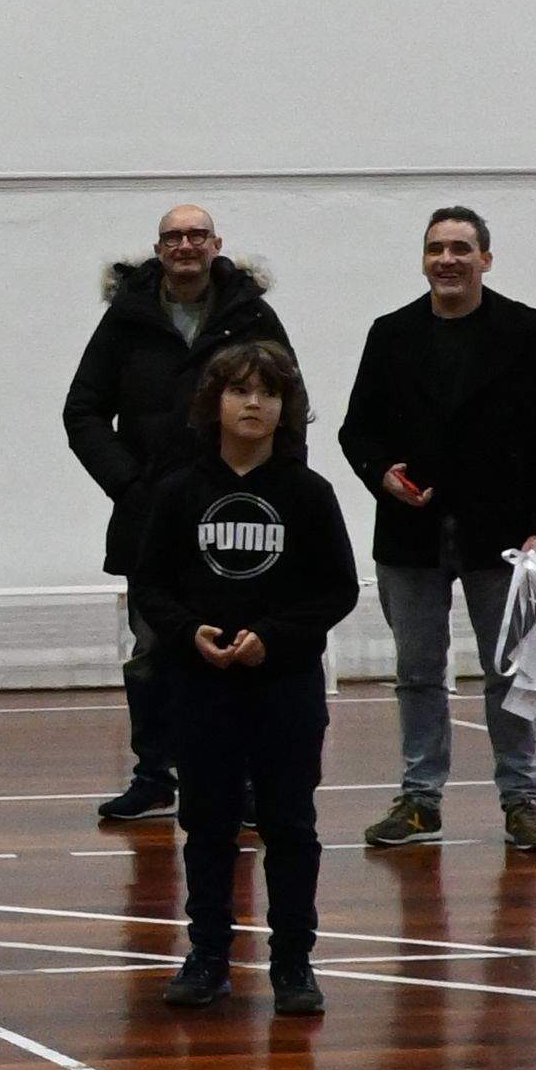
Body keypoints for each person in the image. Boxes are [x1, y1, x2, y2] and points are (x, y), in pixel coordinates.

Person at [128, 336, 359, 1017]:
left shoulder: (308, 494)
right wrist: (185, 632)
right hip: (201, 687)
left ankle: (293, 961)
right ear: (215, 403)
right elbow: (151, 584)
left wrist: (275, 639)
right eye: (239, 390)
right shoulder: (179, 492)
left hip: (284, 686)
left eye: (268, 391)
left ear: (286, 407)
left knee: (290, 824)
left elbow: (336, 590)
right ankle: (207, 956)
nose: (253, 402)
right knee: (207, 824)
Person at [337, 204, 536, 859]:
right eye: (436, 247)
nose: (448, 259)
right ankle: (420, 801)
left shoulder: (529, 331)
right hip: (410, 535)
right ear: (423, 258)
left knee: (511, 672)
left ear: (485, 259)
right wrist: (381, 472)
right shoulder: (390, 333)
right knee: (416, 671)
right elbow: (356, 429)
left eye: (461, 248)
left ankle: (521, 800)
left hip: (505, 535)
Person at [63, 198, 277, 828]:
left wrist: (271, 492)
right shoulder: (126, 320)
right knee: (154, 650)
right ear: (158, 250)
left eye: (196, 235)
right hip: (151, 518)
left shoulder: (251, 315)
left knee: (239, 647)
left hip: (236, 514)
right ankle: (155, 776)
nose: (185, 245)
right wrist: (129, 484)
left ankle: (239, 783)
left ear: (217, 244)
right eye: (172, 237)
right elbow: (82, 411)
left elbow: (287, 402)